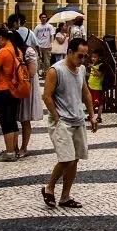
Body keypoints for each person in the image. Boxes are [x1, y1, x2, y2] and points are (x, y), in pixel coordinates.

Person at [41, 37, 97, 209]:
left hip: (78, 119)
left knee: (75, 159)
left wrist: (92, 115)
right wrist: (56, 116)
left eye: (85, 56)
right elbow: (47, 96)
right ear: (70, 52)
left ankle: (65, 196)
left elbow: (85, 93)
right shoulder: (55, 71)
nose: (83, 60)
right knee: (66, 159)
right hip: (62, 121)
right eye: (80, 56)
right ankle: (49, 188)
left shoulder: (80, 71)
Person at [0, 26, 23, 162]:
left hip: (4, 89)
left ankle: (9, 152)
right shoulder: (17, 50)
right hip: (15, 89)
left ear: (2, 38)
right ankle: (13, 149)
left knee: (5, 122)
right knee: (12, 120)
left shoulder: (4, 51)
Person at [17, 30, 43, 158]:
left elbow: (32, 72)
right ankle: (14, 146)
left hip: (27, 85)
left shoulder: (28, 51)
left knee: (25, 118)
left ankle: (24, 147)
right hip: (16, 86)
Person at [87, 48, 108, 123]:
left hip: (97, 87)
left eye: (95, 57)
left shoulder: (101, 66)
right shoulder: (93, 65)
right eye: (92, 57)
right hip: (91, 86)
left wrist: (92, 67)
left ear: (100, 58)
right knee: (91, 101)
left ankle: (98, 117)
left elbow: (99, 74)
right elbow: (92, 75)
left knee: (98, 103)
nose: (93, 58)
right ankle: (91, 115)